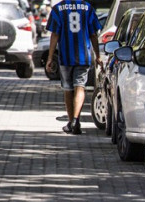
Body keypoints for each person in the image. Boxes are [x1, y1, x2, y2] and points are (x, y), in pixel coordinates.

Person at [45, 0, 102, 135]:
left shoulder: (58, 9)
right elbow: (93, 34)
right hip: (83, 57)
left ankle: (71, 122)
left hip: (65, 56)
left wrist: (50, 57)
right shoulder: (88, 8)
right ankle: (76, 120)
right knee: (80, 87)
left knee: (68, 89)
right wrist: (98, 55)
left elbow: (54, 34)